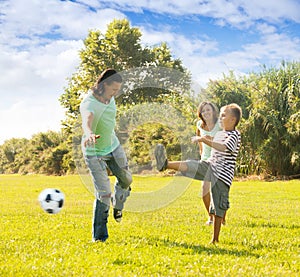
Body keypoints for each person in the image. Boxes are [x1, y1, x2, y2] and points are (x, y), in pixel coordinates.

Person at [155, 103, 242, 243]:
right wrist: (205, 139)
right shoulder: (221, 133)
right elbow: (215, 140)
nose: (221, 117)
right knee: (192, 165)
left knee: (218, 206)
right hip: (210, 166)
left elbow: (223, 147)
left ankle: (215, 239)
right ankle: (166, 164)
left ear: (233, 120)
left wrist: (203, 140)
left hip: (222, 175)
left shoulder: (234, 135)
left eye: (224, 115)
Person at [80, 68, 132, 242]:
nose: (115, 93)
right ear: (103, 85)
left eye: (118, 90)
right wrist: (88, 133)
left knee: (126, 179)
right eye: (113, 90)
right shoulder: (89, 102)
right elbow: (87, 118)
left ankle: (118, 205)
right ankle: (100, 238)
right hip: (94, 153)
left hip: (113, 146)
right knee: (103, 195)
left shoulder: (111, 98)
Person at [196, 101, 222, 226]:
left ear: (213, 111)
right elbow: (198, 137)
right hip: (206, 159)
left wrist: (205, 139)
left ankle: (221, 218)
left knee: (218, 191)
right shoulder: (199, 125)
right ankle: (211, 217)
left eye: (208, 110)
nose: (206, 112)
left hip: (219, 159)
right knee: (205, 190)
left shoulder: (220, 124)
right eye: (203, 111)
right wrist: (201, 151)